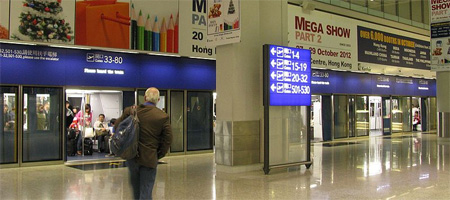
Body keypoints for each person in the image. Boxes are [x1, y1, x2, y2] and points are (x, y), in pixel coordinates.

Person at [114, 87, 172, 200]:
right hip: (149, 158)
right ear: (158, 100)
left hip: (132, 156)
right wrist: (158, 154)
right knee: (146, 190)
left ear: (145, 98)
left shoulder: (131, 111)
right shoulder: (162, 116)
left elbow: (117, 126)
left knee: (136, 190)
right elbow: (168, 138)